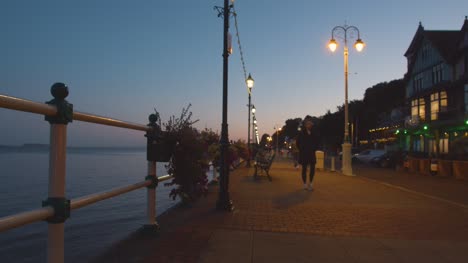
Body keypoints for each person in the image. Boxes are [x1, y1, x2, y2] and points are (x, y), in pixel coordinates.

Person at [296, 116, 319, 191]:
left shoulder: (314, 132)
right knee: (304, 169)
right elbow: (298, 143)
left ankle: (311, 183)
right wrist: (302, 149)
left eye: (310, 123)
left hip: (311, 153)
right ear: (305, 125)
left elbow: (317, 142)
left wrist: (314, 149)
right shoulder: (301, 133)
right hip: (304, 153)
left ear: (312, 124)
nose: (309, 125)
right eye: (307, 123)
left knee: (312, 168)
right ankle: (305, 184)